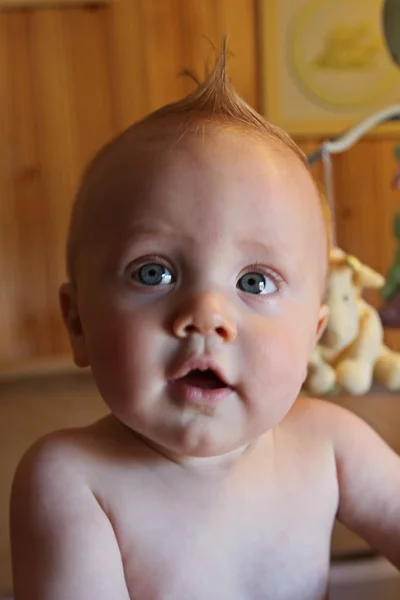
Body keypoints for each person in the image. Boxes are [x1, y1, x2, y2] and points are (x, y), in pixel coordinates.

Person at [10, 45, 400, 600]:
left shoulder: (330, 446)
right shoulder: (71, 478)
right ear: (78, 324)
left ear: (312, 339)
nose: (206, 316)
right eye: (153, 272)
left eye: (255, 282)